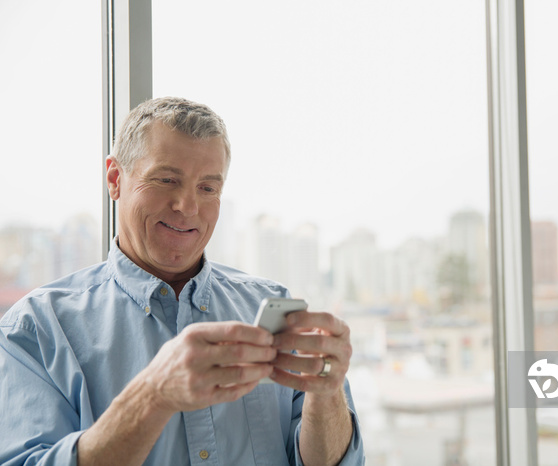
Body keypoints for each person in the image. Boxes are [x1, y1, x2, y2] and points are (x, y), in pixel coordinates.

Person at [0, 97, 364, 465]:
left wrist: (328, 393)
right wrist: (153, 395)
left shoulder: (273, 307)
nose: (187, 206)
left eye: (207, 188)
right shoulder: (36, 329)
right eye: (167, 180)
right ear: (115, 179)